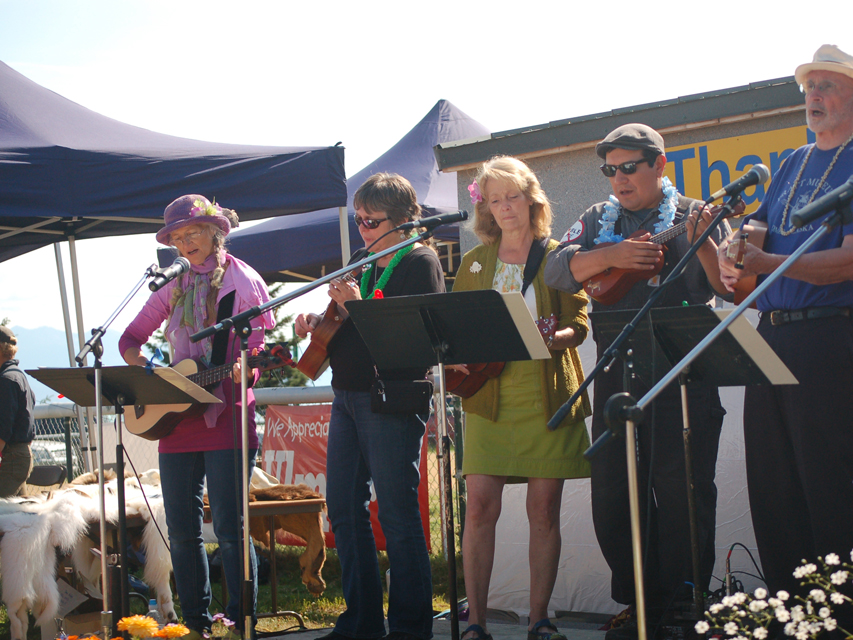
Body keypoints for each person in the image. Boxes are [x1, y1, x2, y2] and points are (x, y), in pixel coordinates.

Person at [713, 45, 853, 637]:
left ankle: (841, 624)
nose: (814, 96)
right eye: (809, 87)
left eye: (827, 86)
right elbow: (757, 235)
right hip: (769, 337)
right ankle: (787, 621)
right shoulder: (793, 160)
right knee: (772, 492)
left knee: (822, 488)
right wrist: (733, 252)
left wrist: (766, 261)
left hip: (827, 338)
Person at [544, 124, 728, 637]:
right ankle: (637, 599)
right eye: (610, 169)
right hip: (615, 369)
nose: (619, 179)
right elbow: (557, 270)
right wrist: (612, 257)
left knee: (681, 487)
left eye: (630, 167)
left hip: (682, 372)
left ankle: (685, 599)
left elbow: (729, 286)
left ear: (660, 166)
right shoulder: (597, 218)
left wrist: (705, 243)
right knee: (613, 490)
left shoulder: (695, 214)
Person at [295, 173, 443, 640]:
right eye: (358, 219)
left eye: (370, 221)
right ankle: (360, 620)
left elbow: (410, 340)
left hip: (392, 396)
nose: (362, 228)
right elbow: (342, 323)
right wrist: (316, 321)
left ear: (402, 220)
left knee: (397, 514)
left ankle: (409, 626)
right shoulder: (363, 258)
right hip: (347, 393)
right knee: (342, 508)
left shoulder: (421, 262)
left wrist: (357, 305)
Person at [120, 195, 275, 640]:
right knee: (182, 531)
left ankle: (237, 621)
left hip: (227, 416)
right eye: (176, 237)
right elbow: (129, 339)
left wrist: (252, 366)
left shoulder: (243, 282)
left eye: (192, 233)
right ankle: (195, 623)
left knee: (229, 527)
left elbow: (259, 351)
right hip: (177, 421)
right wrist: (149, 369)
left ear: (215, 232)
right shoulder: (173, 284)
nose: (184, 243)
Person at [452, 157, 592, 640]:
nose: (505, 207)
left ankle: (540, 619)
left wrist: (554, 339)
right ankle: (475, 624)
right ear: (486, 208)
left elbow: (580, 325)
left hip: (546, 394)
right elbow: (458, 326)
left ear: (531, 198)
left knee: (544, 512)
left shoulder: (560, 253)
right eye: (495, 199)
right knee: (479, 509)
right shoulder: (474, 261)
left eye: (512, 196)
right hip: (489, 398)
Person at [0, 326, 36, 498]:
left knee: (4, 515)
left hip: (10, 458)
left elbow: (4, 426)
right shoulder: (18, 375)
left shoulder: (6, 380)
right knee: (17, 515)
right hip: (19, 456)